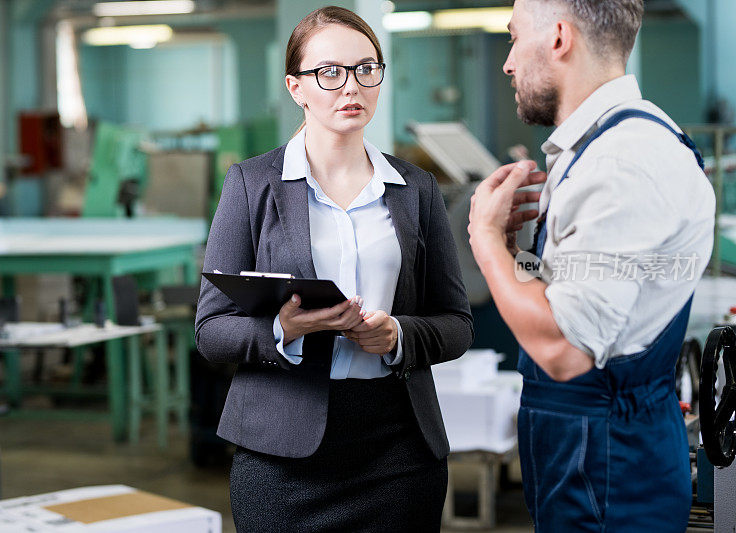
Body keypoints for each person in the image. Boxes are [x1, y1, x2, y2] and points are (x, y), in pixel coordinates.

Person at [195, 6, 473, 531]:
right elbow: (211, 331)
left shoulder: (417, 190)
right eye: (329, 73)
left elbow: (456, 323)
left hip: (399, 452)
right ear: (296, 87)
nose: (352, 87)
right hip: (283, 458)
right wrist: (283, 330)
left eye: (366, 69)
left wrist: (398, 334)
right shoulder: (252, 185)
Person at [467, 0, 714, 531]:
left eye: (513, 38)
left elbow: (564, 351)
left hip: (608, 467)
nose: (507, 63)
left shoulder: (621, 163)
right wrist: (515, 256)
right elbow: (559, 291)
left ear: (558, 38)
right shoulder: (597, 148)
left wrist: (484, 239)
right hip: (585, 458)